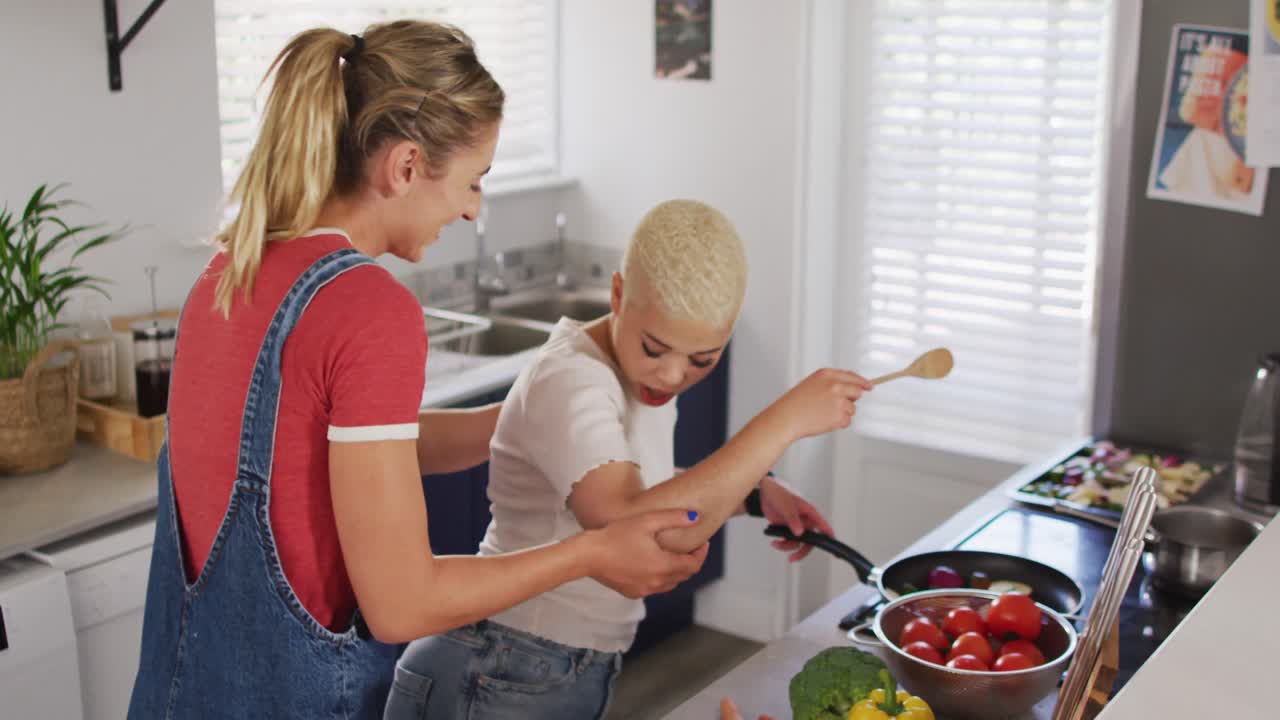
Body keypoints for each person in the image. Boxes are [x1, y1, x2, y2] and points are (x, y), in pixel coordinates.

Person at [127, 21, 706, 720]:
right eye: (472, 181)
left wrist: (516, 422)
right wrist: (592, 553)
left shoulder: (230, 273)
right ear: (404, 167)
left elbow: (325, 455)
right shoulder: (369, 309)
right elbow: (403, 603)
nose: (472, 207)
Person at [387, 200, 870, 719]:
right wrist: (784, 422)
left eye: (701, 360)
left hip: (540, 665)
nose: (671, 376)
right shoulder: (576, 380)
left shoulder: (638, 372)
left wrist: (755, 494)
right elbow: (641, 529)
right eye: (656, 349)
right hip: (499, 667)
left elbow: (649, 495)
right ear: (617, 294)